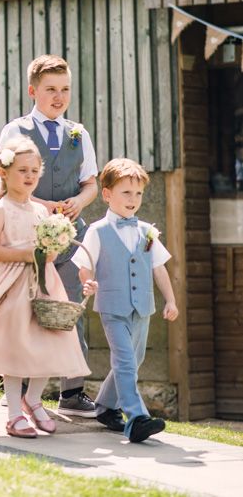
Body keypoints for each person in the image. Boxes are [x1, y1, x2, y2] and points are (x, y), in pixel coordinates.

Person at [0, 136, 90, 438]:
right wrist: (24, 255)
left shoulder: (41, 212)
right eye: (22, 171)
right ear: (4, 173)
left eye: (34, 171)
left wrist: (51, 249)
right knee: (15, 348)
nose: (29, 177)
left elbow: (47, 249)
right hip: (10, 286)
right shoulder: (2, 209)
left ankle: (34, 400)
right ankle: (14, 412)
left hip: (42, 284)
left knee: (49, 342)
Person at [0, 54, 98, 417]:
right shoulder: (16, 130)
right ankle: (18, 392)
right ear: (33, 91)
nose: (58, 97)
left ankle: (72, 390)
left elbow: (91, 183)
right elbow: (2, 178)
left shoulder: (78, 133)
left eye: (65, 90)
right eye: (50, 89)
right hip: (25, 233)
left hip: (69, 236)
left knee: (68, 310)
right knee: (21, 312)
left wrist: (79, 202)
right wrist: (41, 204)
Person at [74, 158, 178, 443]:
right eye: (126, 193)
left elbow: (159, 267)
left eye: (138, 194)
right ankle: (137, 418)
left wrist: (171, 300)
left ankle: (105, 407)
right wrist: (88, 281)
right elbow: (84, 262)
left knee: (134, 359)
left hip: (143, 307)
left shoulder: (147, 231)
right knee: (125, 362)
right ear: (107, 194)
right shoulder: (97, 231)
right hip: (113, 307)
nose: (133, 200)